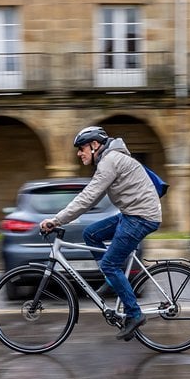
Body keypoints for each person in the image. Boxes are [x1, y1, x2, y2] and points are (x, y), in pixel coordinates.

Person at [39, 126, 162, 341]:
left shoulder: (109, 161)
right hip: (131, 214)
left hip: (141, 217)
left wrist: (56, 220)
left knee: (109, 263)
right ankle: (112, 280)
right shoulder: (110, 159)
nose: (79, 154)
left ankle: (134, 314)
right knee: (91, 234)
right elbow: (91, 197)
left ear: (94, 145)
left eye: (81, 148)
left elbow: (88, 198)